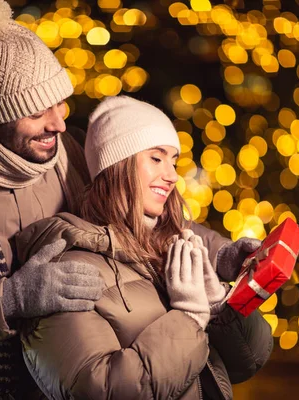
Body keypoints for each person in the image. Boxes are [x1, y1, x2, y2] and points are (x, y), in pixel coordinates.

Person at [0, 0, 264, 399]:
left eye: (59, 102)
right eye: (37, 111)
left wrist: (219, 255)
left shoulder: (70, 153)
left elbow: (139, 217)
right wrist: (10, 299)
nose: (59, 122)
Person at [14, 96, 273, 399]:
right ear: (117, 165)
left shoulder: (170, 252)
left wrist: (217, 304)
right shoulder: (65, 270)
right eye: (156, 158)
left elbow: (248, 362)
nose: (172, 174)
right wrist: (188, 318)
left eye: (174, 161)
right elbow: (102, 389)